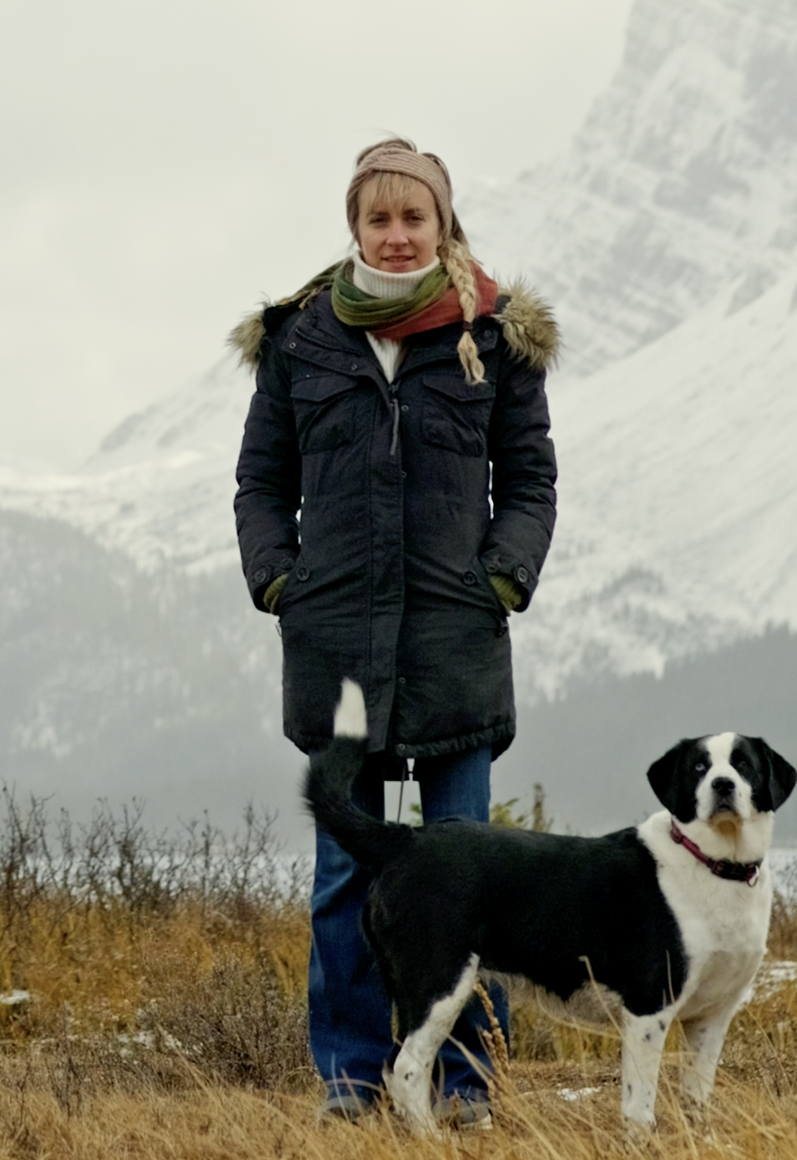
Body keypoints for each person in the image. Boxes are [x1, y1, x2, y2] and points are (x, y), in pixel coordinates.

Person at [231, 137, 559, 1124]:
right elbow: (260, 482)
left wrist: (499, 579)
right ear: (356, 226)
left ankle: (467, 1086)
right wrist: (280, 579)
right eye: (379, 217)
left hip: (455, 645)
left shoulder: (493, 335)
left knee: (473, 879)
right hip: (336, 651)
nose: (397, 233)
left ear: (441, 222)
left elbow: (530, 481)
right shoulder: (299, 341)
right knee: (344, 877)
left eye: (414, 215)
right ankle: (350, 1080)